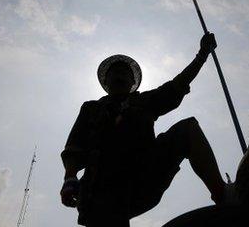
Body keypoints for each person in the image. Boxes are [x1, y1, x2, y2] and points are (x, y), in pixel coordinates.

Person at [60, 32, 231, 227]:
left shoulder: (144, 102)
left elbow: (178, 84)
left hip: (142, 175)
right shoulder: (91, 108)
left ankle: (222, 195)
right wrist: (69, 179)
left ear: (133, 83)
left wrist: (202, 55)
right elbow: (75, 147)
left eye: (124, 73)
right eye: (114, 73)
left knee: (188, 129)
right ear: (106, 82)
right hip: (100, 188)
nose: (119, 75)